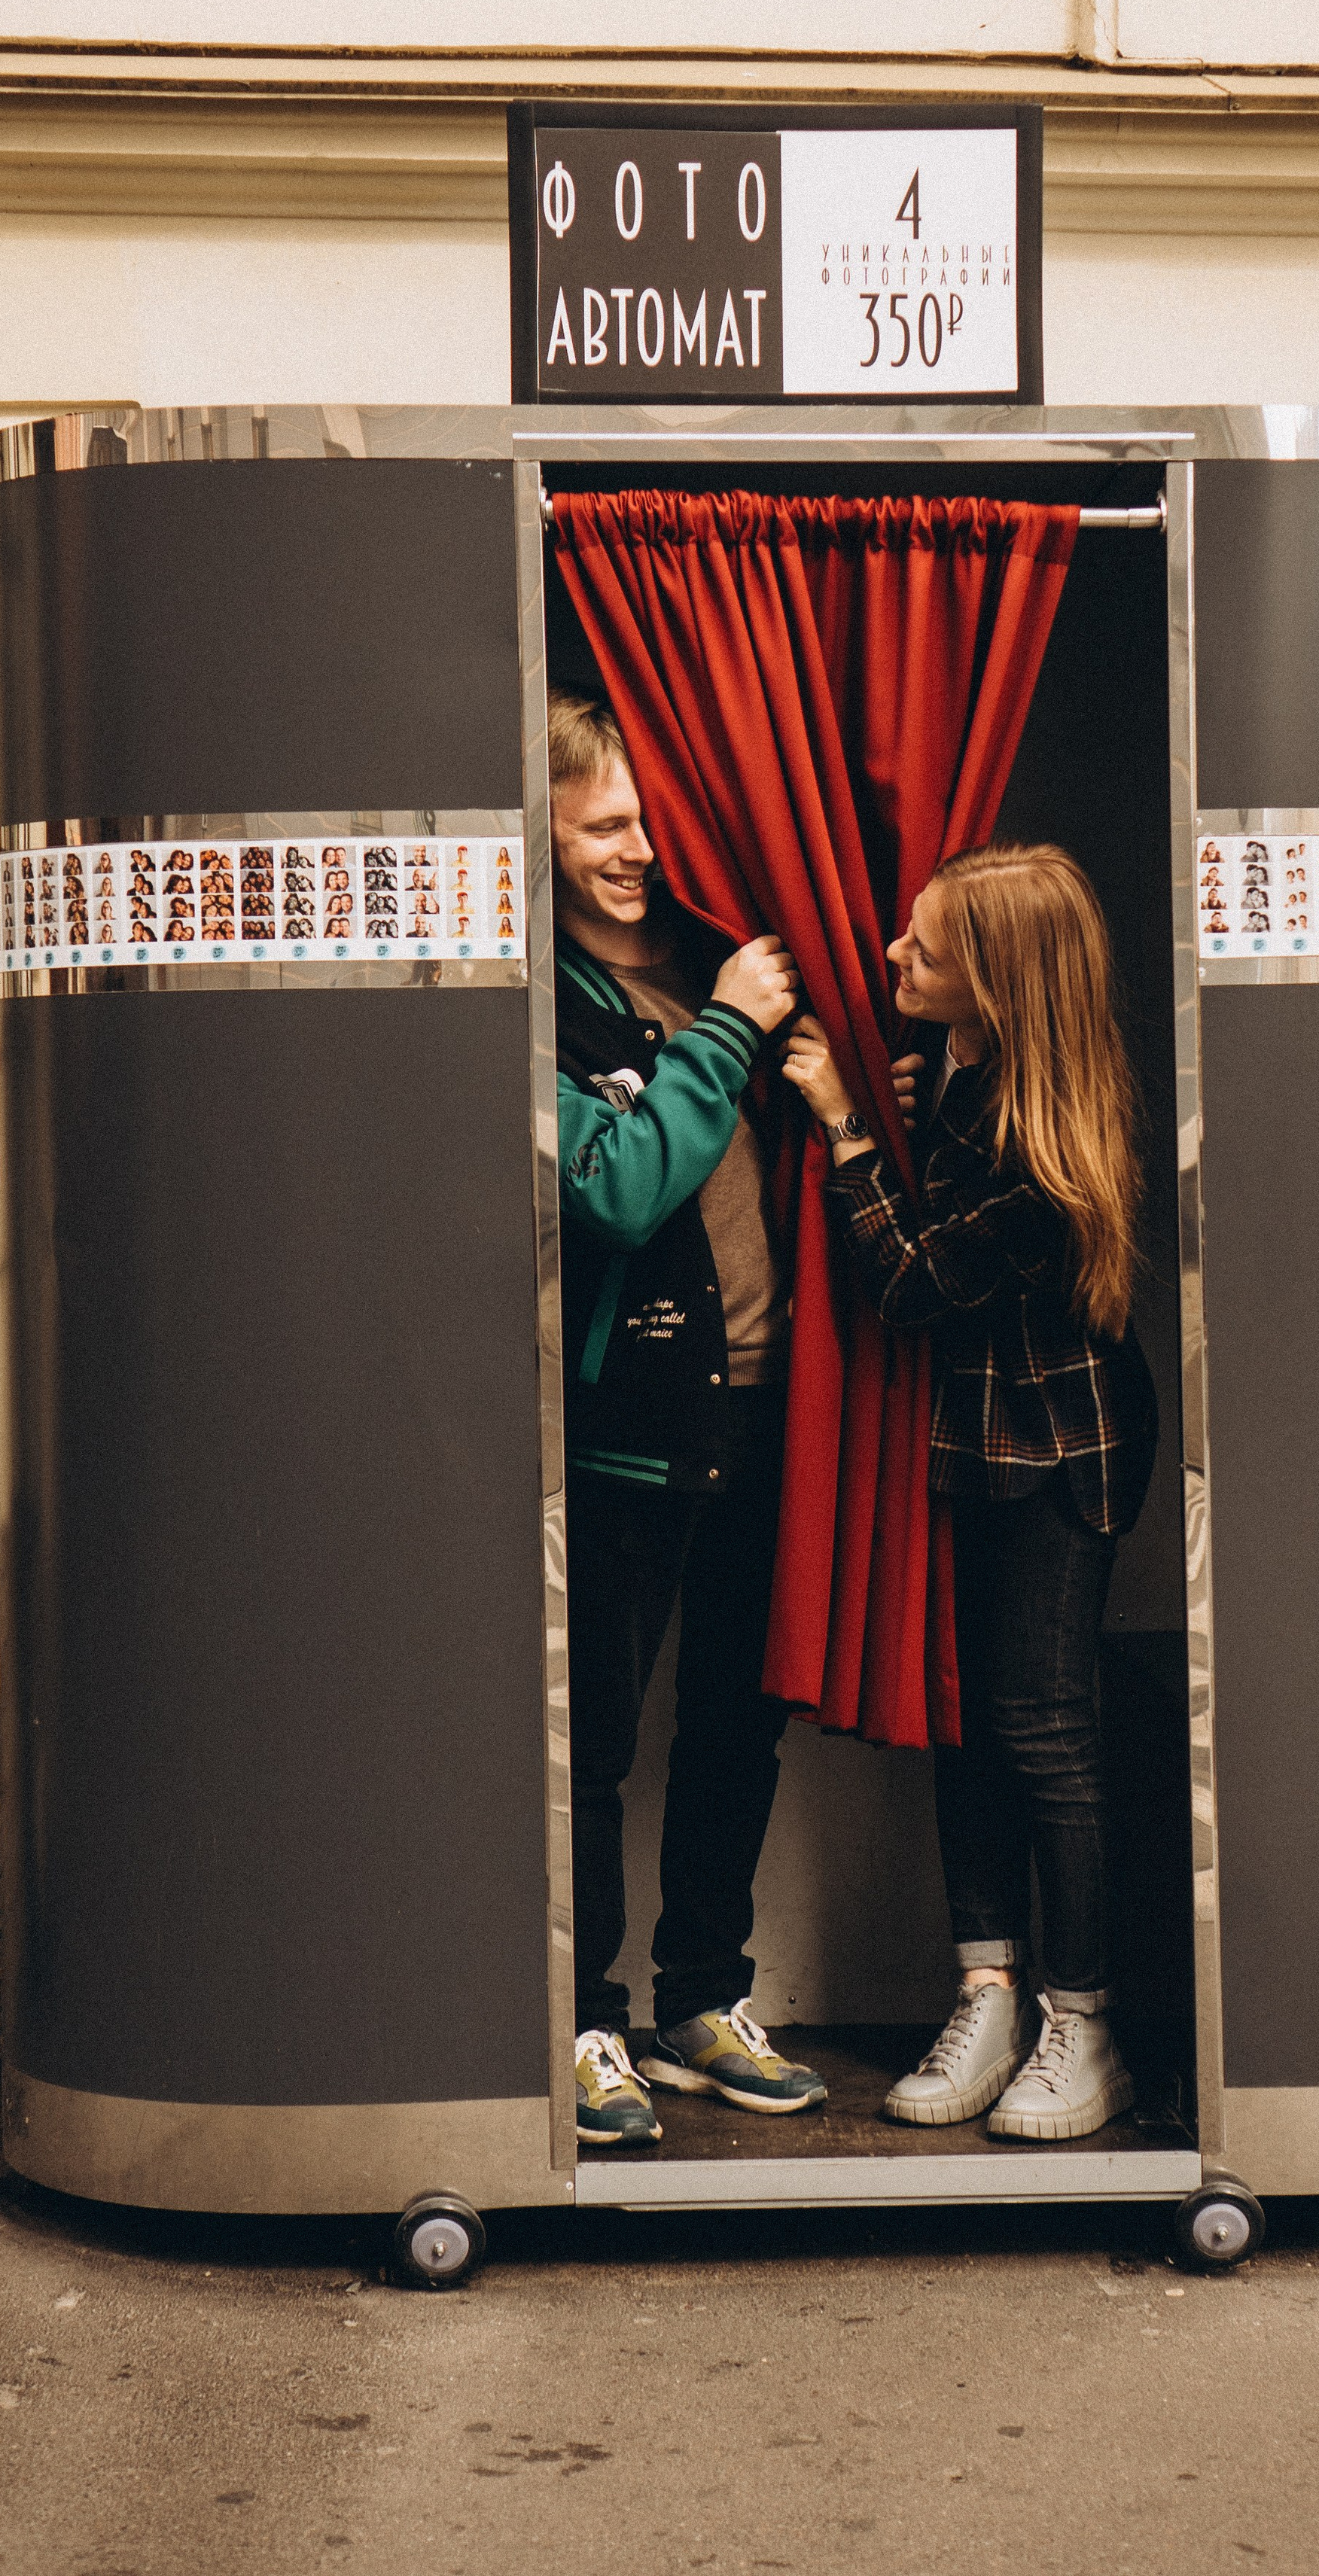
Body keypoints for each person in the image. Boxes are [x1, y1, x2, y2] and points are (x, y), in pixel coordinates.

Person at [781, 842, 1158, 2142]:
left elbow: (912, 1285)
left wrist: (842, 1127)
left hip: (1057, 1452)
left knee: (1046, 1731)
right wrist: (917, 1094)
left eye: (924, 952)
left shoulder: (1044, 1149)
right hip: (980, 1442)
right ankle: (990, 1991)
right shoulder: (970, 1073)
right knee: (970, 1719)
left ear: (999, 989)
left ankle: (1083, 2020)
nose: (891, 957)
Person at [549, 690, 828, 2145]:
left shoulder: (744, 952)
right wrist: (725, 1032)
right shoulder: (537, 995)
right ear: (537, 821)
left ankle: (702, 2000)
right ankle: (584, 2022)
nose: (640, 851)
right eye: (605, 825)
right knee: (592, 1737)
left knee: (739, 1720)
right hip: (623, 1427)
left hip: (774, 1408)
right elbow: (614, 1189)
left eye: (657, 821)